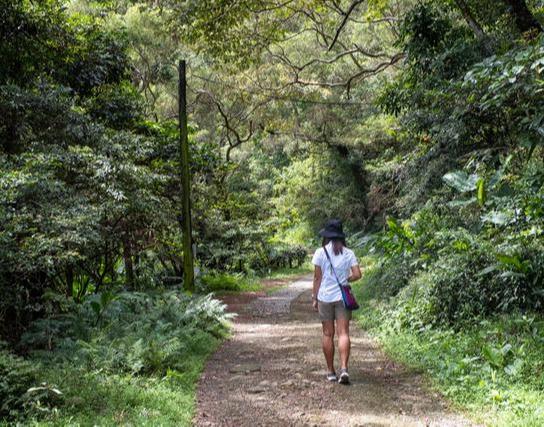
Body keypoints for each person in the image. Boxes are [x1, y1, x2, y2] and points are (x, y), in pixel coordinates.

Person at [311, 219, 361, 384]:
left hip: (325, 298)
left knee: (327, 334)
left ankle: (331, 371)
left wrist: (314, 297)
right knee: (343, 333)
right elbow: (357, 274)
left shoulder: (320, 252)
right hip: (342, 298)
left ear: (327, 236)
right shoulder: (348, 253)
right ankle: (344, 369)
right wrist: (346, 279)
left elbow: (317, 278)